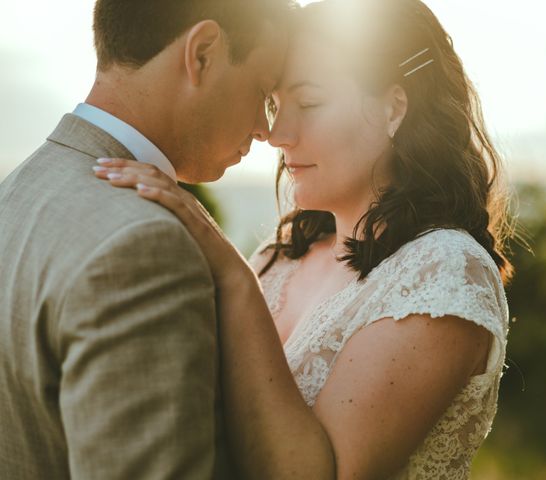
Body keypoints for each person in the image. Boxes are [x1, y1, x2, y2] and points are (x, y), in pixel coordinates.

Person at [94, 0, 513, 478]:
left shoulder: (443, 273)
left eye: (308, 103)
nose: (277, 134)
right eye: (275, 103)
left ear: (394, 107)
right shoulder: (281, 255)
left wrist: (230, 274)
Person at [0, 0, 288, 478]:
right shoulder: (142, 246)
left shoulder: (17, 191)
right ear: (202, 54)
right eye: (262, 91)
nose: (265, 129)